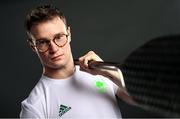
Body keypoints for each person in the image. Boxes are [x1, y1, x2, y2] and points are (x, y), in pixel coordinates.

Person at [20, 4, 135, 118]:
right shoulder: (34, 106)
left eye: (59, 37)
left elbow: (138, 99)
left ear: (69, 34)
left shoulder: (98, 71)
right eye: (43, 42)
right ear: (33, 46)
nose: (54, 49)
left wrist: (108, 72)